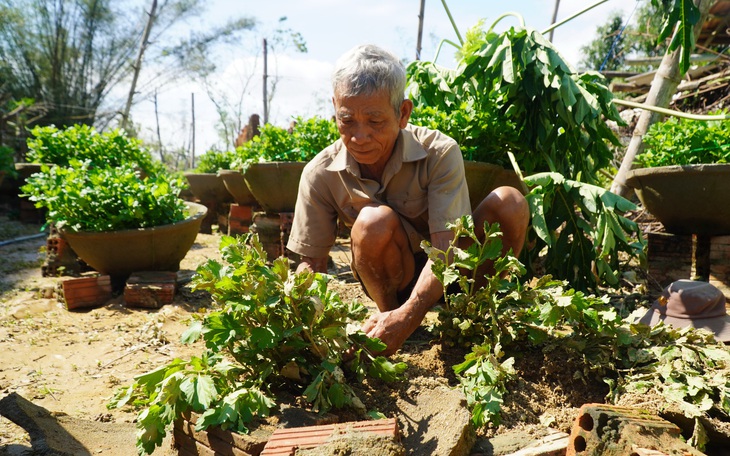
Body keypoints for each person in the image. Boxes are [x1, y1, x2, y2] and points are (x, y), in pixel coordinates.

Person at [286, 44, 530, 355]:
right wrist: (295, 319)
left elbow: (447, 246)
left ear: (403, 113)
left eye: (375, 122)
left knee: (510, 202)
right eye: (347, 120)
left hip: (457, 271)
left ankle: (472, 313)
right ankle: (388, 316)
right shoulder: (320, 173)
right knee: (373, 221)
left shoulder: (439, 152)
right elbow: (312, 263)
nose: (359, 137)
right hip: (393, 281)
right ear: (334, 107)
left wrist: (410, 316)